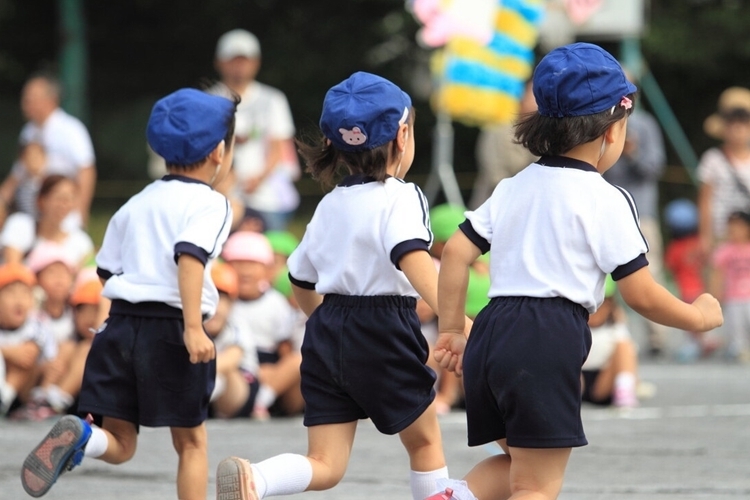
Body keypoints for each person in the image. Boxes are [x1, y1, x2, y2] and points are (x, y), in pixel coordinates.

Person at [429, 43, 723, 500]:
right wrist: (699, 316)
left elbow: (454, 254)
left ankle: (451, 496)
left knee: (516, 465)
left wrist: (450, 327)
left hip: (491, 335)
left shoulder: (512, 186)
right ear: (612, 131)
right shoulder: (606, 198)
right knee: (537, 486)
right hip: (545, 339)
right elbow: (642, 294)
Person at [215, 71, 468, 500]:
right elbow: (413, 259)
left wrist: (324, 321)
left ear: (332, 144)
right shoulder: (402, 196)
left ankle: (257, 478)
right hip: (385, 326)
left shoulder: (330, 204)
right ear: (403, 135)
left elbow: (298, 277)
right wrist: (457, 322)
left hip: (328, 328)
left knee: (326, 464)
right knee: (424, 442)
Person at [20, 88, 238, 499]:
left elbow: (106, 269)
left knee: (120, 444)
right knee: (191, 445)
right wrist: (193, 327)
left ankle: (83, 434)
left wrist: (124, 322)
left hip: (119, 325)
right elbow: (189, 256)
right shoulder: (211, 204)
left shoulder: (136, 202)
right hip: (174, 329)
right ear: (218, 152)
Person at [603, 77, 669, 357]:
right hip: (606, 210)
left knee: (649, 273)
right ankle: (617, 332)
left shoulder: (645, 125)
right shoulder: (599, 121)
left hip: (642, 213)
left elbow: (655, 168)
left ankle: (657, 337)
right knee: (607, 276)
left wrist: (633, 154)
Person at [214, 28, 300, 230]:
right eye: (233, 60)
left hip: (268, 196)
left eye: (245, 60)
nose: (239, 66)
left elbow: (279, 146)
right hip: (221, 195)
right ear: (219, 62)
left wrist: (259, 179)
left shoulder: (273, 99)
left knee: (270, 254)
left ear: (256, 62)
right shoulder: (207, 99)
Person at [221, 230, 301, 420]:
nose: (245, 271)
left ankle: (262, 401)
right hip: (239, 364)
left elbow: (284, 343)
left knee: (298, 360)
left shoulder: (275, 303)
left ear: (267, 270)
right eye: (238, 264)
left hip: (269, 362)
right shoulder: (224, 302)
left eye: (252, 265)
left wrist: (278, 370)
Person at [0, 73, 96, 228]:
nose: (24, 103)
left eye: (30, 98)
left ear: (50, 100)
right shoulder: (28, 131)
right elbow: (18, 174)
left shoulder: (71, 129)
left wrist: (81, 210)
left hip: (61, 211)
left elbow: (86, 170)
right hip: (30, 212)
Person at [205, 261, 262, 419]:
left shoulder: (236, 325)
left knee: (227, 370)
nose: (213, 307)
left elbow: (231, 358)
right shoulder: (187, 326)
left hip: (241, 387)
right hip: (203, 382)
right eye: (205, 299)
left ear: (231, 303)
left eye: (219, 299)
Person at [697, 87, 750, 255]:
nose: (737, 130)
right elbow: (705, 201)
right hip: (721, 237)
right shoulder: (712, 159)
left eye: (742, 125)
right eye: (732, 125)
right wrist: (705, 237)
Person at [469, 80, 538, 209]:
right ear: (521, 96)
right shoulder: (498, 128)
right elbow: (494, 172)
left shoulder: (548, 132)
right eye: (534, 94)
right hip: (494, 205)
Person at [0, 174, 94, 267]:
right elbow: (12, 267)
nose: (64, 204)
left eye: (69, 199)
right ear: (41, 200)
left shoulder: (81, 241)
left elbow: (88, 275)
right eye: (59, 198)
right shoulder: (20, 225)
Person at [663, 198, 715, 362]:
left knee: (688, 319)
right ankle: (704, 341)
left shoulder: (674, 248)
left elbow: (670, 267)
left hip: (684, 289)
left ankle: (695, 345)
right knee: (700, 315)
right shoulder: (698, 243)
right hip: (700, 287)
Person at [581, 276, 643, 409]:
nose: (595, 311)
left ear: (610, 306)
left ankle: (624, 390)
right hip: (576, 381)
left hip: (603, 382)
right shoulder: (574, 324)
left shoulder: (615, 327)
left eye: (601, 306)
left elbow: (628, 357)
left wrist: (633, 380)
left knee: (625, 346)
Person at [0, 263, 48, 417]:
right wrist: (6, 352)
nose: (19, 300)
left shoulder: (35, 326)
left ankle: (3, 397)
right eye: (11, 294)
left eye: (25, 294)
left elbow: (28, 354)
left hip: (23, 390)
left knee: (25, 359)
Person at [710, 211, 750, 363]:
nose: (735, 231)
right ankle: (739, 348)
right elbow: (717, 273)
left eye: (739, 227)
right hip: (733, 296)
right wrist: (715, 294)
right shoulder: (725, 250)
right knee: (736, 325)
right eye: (731, 227)